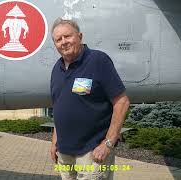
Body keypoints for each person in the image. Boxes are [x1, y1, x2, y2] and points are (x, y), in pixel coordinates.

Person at [50, 18, 130, 180]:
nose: (63, 42)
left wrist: (108, 143)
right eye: (58, 39)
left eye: (67, 36)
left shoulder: (97, 61)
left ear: (80, 36)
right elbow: (59, 108)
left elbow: (122, 102)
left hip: (92, 153)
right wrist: (54, 142)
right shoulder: (56, 69)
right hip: (65, 154)